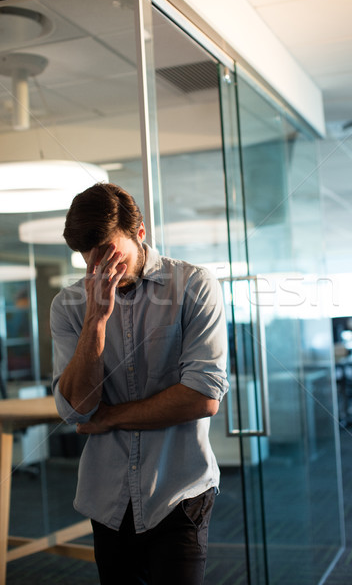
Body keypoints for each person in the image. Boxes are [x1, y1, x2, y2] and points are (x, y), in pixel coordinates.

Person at [50, 183, 229, 585]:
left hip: (179, 492)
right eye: (89, 259)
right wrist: (95, 320)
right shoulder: (68, 306)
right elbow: (76, 410)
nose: (100, 270)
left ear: (141, 233)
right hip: (107, 497)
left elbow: (202, 397)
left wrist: (110, 417)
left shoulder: (194, 286)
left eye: (111, 254)